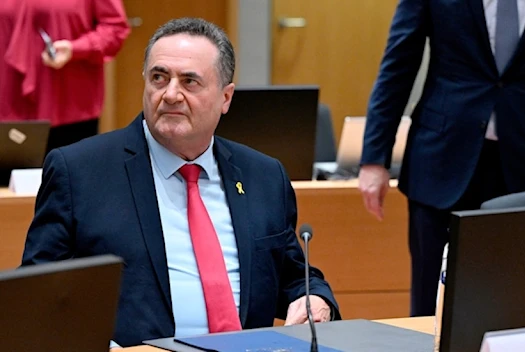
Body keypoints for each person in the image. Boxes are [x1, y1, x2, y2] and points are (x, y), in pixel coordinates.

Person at [21, 17, 340, 348]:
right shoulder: (80, 171)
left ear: (226, 98)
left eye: (190, 82)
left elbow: (294, 275)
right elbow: (36, 296)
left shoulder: (263, 175)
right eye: (159, 78)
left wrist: (315, 299)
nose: (171, 94)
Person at [359, 0, 525, 317]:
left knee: (524, 307)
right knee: (433, 310)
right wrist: (374, 159)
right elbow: (399, 62)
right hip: (440, 163)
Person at [0, 0, 130, 154]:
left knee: (67, 174)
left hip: (68, 108)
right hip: (7, 106)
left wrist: (77, 48)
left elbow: (115, 28)